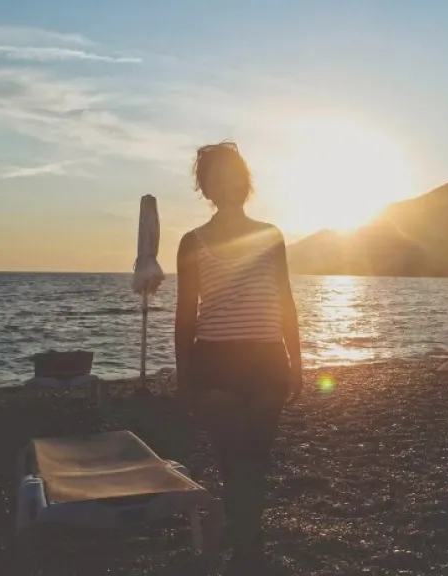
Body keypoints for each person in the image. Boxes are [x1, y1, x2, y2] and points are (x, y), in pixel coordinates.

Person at [174, 141, 303, 574]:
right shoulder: (192, 242)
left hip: (267, 359)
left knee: (257, 455)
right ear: (205, 186)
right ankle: (247, 542)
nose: (227, 182)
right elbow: (185, 316)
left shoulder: (271, 236)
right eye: (217, 176)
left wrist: (297, 360)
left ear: (245, 181)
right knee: (232, 456)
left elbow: (285, 300)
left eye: (234, 174)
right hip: (215, 362)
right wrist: (184, 379)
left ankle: (248, 537)